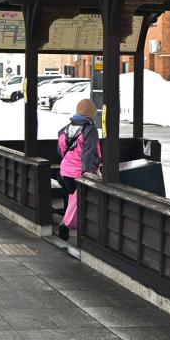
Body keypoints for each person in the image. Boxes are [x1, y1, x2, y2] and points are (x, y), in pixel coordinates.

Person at [57, 99, 101, 240]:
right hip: (79, 172)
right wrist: (88, 172)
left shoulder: (66, 129)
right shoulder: (90, 130)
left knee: (73, 198)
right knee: (78, 201)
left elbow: (61, 149)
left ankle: (68, 226)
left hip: (65, 170)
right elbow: (90, 152)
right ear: (92, 113)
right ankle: (66, 225)